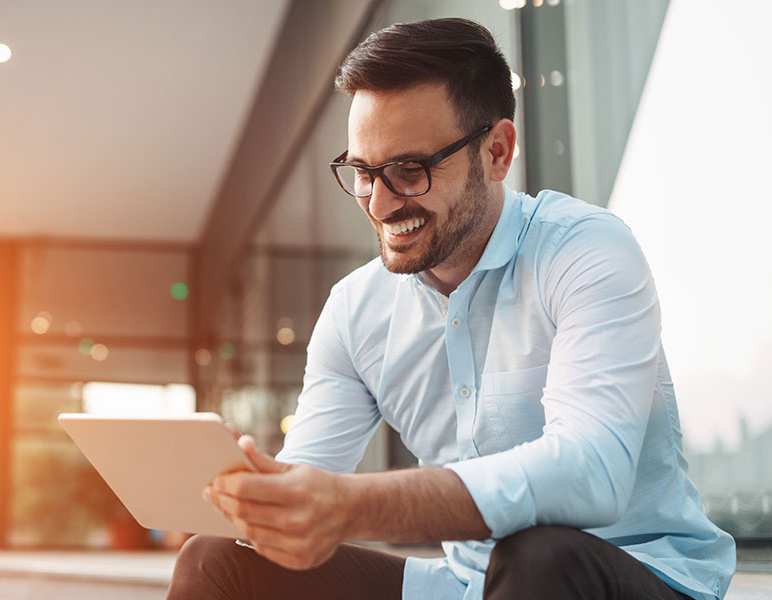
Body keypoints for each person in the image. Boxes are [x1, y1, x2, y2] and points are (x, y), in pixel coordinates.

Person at [167, 17, 734, 600]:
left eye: (409, 170)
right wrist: (258, 494)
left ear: (496, 151)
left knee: (540, 556)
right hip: (466, 585)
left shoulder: (586, 251)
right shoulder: (356, 310)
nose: (381, 203)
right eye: (363, 173)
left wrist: (353, 507)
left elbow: (592, 474)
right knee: (215, 561)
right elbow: (308, 485)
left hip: (636, 575)